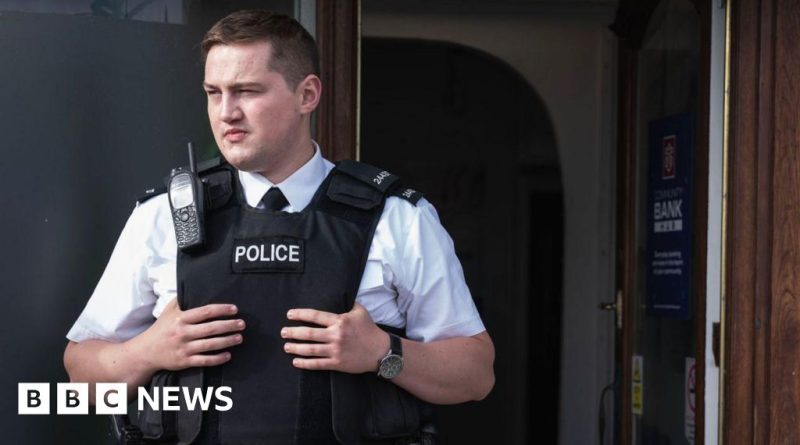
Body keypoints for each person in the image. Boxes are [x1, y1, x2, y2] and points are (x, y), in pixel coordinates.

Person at [63, 9, 494, 444]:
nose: (226, 112)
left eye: (247, 91)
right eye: (214, 92)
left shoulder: (396, 218)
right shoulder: (163, 216)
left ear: (307, 95)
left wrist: (383, 354)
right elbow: (81, 374)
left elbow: (475, 375)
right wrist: (147, 351)